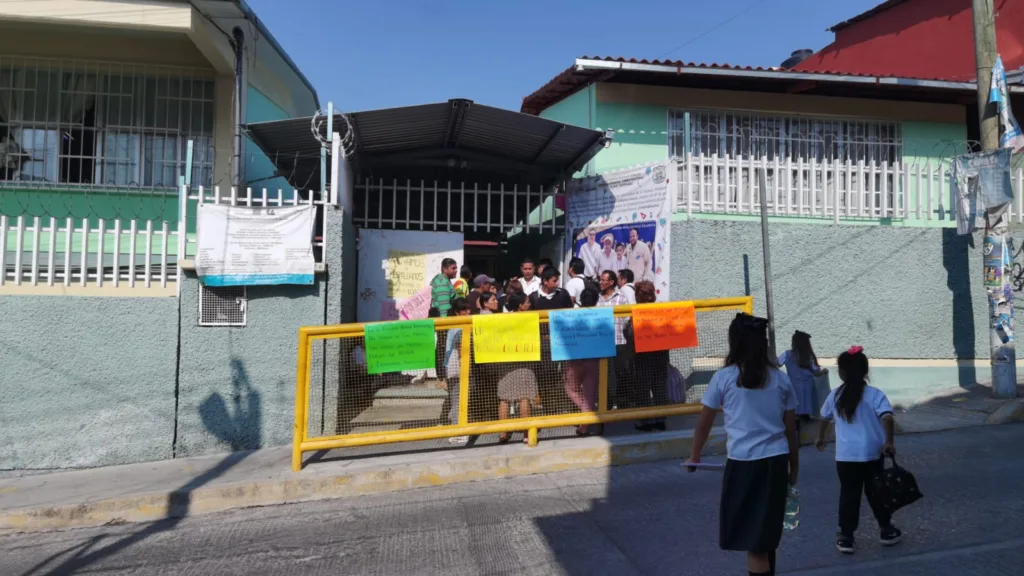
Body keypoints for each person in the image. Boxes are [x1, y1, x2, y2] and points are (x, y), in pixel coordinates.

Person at [687, 313, 800, 576]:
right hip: (776, 461)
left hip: (743, 465)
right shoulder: (780, 379)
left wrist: (694, 456)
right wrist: (794, 469)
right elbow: (791, 431)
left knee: (755, 545)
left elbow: (703, 424)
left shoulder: (724, 378)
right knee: (767, 537)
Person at [815, 346, 901, 555]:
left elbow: (824, 417)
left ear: (842, 372)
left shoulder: (835, 395)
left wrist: (820, 437)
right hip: (873, 453)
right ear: (865, 371)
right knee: (877, 492)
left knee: (849, 495)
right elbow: (887, 417)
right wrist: (888, 441)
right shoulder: (875, 394)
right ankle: (886, 530)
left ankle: (846, 537)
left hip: (846, 456)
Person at [623, 280, 669, 431]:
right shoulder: (662, 311)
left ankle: (645, 420)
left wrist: (626, 327)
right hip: (660, 356)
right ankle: (661, 419)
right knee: (659, 387)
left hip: (642, 357)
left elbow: (630, 335)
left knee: (643, 388)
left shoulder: (636, 313)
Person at [495, 294, 540, 445]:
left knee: (504, 398)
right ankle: (526, 432)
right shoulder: (530, 319)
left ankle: (503, 433)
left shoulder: (502, 319)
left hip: (505, 363)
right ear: (521, 305)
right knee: (524, 397)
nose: (529, 305)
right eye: (527, 302)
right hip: (524, 363)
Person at [564, 284, 602, 436]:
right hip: (593, 359)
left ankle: (585, 417)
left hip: (575, 358)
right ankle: (587, 417)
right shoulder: (601, 315)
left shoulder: (571, 315)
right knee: (589, 392)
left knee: (570, 388)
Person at [778, 331, 827, 432]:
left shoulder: (787, 354)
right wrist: (824, 372)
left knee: (794, 409)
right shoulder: (808, 356)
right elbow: (816, 373)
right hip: (807, 387)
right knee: (806, 411)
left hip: (793, 386)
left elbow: (776, 363)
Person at [596, 270, 629, 409]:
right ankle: (606, 404)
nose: (601, 282)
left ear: (611, 282)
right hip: (602, 344)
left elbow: (627, 319)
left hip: (619, 342)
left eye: (604, 280)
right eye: (600, 280)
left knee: (620, 374)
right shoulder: (598, 298)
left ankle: (621, 403)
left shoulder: (621, 297)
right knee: (605, 376)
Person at [444, 298, 473, 445]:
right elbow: (461, 349)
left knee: (457, 399)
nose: (467, 312)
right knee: (459, 400)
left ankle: (458, 428)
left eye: (468, 309)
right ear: (456, 312)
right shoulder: (460, 327)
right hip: (459, 368)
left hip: (452, 368)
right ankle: (458, 431)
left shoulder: (453, 325)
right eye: (464, 310)